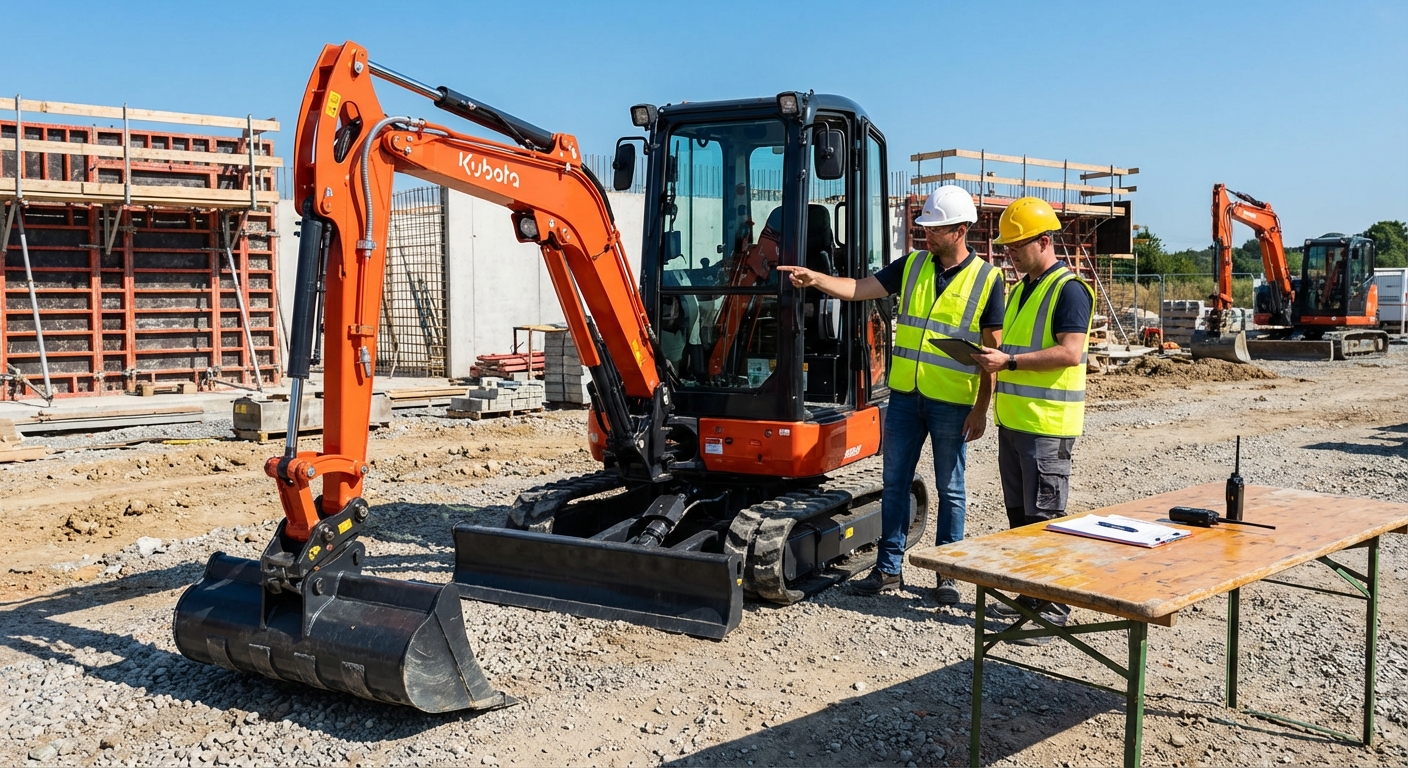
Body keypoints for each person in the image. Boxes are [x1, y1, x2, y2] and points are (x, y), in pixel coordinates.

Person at [778, 185, 1004, 603]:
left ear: (960, 230)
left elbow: (992, 354)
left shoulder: (988, 279)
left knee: (951, 489)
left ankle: (947, 573)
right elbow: (860, 288)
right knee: (894, 484)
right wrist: (815, 279)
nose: (926, 235)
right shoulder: (914, 265)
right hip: (904, 398)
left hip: (953, 403)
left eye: (934, 229)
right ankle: (888, 570)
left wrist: (980, 409)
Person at [972, 196, 1094, 642]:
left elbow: (1069, 352)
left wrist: (1008, 363)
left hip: (1047, 426)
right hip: (1017, 422)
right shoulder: (1025, 288)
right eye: (1006, 247)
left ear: (1044, 242)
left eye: (1016, 246)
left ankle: (1055, 606)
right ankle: (1031, 594)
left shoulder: (1069, 290)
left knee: (1046, 517)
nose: (1009, 254)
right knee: (1021, 516)